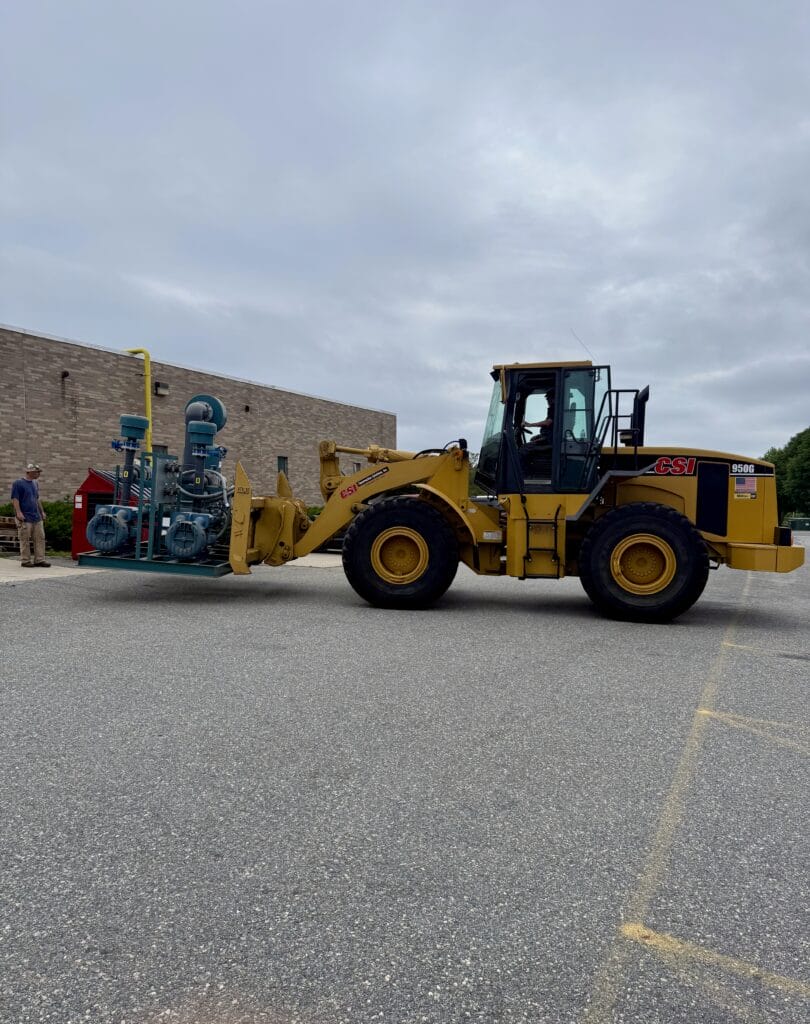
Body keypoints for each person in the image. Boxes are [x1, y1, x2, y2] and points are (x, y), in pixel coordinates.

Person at [10, 464, 51, 568]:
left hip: (36, 517)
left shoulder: (35, 483)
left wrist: (42, 512)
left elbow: (37, 499)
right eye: (37, 472)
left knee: (40, 538)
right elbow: (15, 499)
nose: (38, 474)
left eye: (39, 472)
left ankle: (40, 560)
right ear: (29, 472)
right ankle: (25, 560)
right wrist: (18, 512)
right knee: (25, 539)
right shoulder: (18, 483)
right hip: (25, 518)